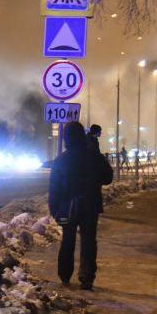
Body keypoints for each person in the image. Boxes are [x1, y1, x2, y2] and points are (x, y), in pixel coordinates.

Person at [49, 122, 114, 291]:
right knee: (89, 241)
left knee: (67, 240)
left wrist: (54, 209)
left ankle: (64, 274)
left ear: (66, 139)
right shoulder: (93, 156)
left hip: (67, 207)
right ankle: (86, 276)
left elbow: (54, 188)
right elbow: (108, 177)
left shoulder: (61, 160)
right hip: (90, 205)